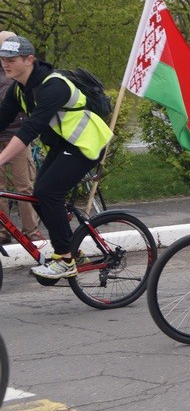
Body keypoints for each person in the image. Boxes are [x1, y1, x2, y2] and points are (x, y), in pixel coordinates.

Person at [0, 35, 112, 278]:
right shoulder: (18, 89)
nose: (5, 64)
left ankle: (65, 259)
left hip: (85, 144)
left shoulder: (54, 85)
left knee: (48, 191)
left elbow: (30, 129)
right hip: (64, 145)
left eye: (11, 59)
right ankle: (73, 248)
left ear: (29, 59)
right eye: (2, 59)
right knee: (39, 195)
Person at [0, 31, 40, 244]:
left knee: (24, 186)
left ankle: (31, 231)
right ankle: (3, 231)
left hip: (19, 137)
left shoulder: (20, 76)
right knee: (0, 190)